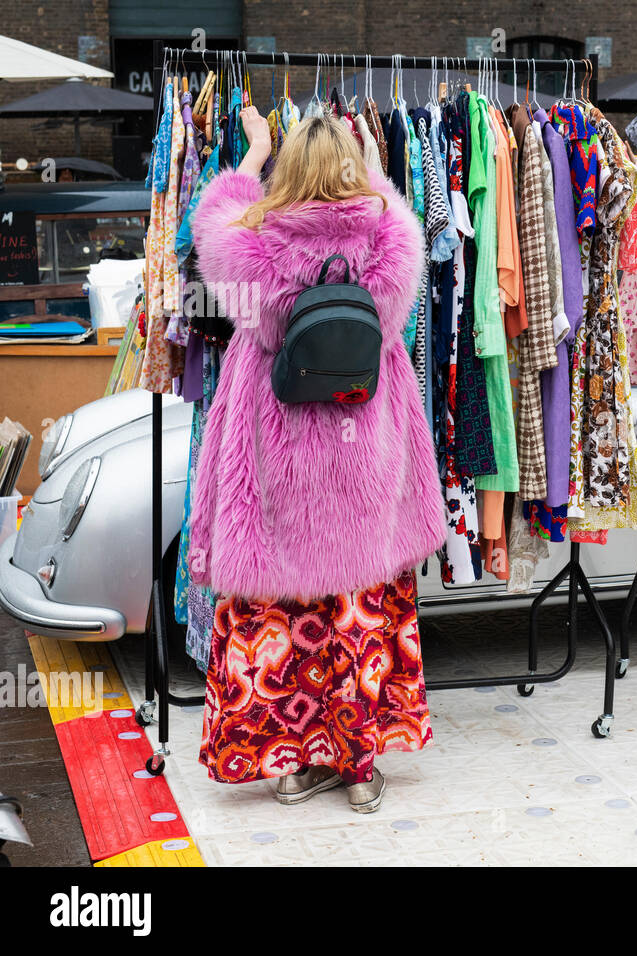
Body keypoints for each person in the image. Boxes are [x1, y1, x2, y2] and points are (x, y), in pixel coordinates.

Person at [188, 107, 445, 813]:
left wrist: (257, 152)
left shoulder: (253, 249)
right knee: (358, 611)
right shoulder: (391, 243)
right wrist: (369, 161)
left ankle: (296, 761)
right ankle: (358, 767)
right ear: (354, 170)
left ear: (289, 171)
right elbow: (391, 206)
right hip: (366, 453)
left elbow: (212, 220)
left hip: (276, 456)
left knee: (282, 617)